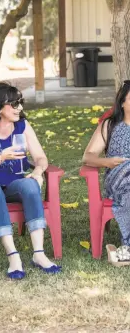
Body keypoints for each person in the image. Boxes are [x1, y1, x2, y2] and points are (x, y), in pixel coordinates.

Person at [0, 82, 61, 279]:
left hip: (11, 185)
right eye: (14, 104)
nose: (20, 108)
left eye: (20, 103)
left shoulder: (22, 128)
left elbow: (40, 157)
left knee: (29, 184)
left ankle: (39, 254)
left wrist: (38, 172)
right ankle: (13, 256)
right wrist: (0, 157)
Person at [83, 80, 130, 266]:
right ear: (122, 103)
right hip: (118, 174)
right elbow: (88, 156)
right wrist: (107, 162)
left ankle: (125, 250)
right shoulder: (110, 125)